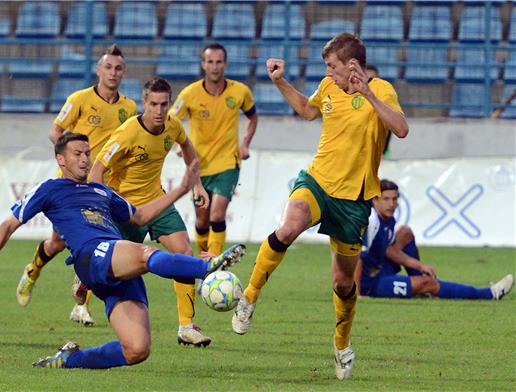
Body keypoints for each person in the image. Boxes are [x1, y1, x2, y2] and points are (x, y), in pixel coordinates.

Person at [0, 133, 246, 369]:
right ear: (61, 159)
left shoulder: (101, 191)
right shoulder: (50, 189)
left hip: (114, 262)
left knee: (137, 350)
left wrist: (182, 189)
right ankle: (206, 267)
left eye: (87, 153)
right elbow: (8, 224)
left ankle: (69, 360)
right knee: (144, 254)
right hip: (91, 255)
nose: (84, 159)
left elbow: (139, 217)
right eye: (77, 154)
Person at [231, 33, 410, 381]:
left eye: (332, 66)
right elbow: (308, 110)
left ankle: (342, 343)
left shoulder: (382, 90)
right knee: (289, 226)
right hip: (317, 182)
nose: (328, 72)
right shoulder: (328, 86)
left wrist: (368, 94)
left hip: (354, 200)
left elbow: (401, 129)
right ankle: (249, 297)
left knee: (343, 283)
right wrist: (281, 82)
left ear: (353, 65)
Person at [15, 44, 138, 326]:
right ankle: (33, 270)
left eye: (118, 68)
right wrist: (73, 158)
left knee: (103, 242)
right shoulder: (80, 99)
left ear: (124, 73)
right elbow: (55, 131)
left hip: (103, 188)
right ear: (98, 70)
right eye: (108, 67)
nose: (113, 73)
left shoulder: (129, 108)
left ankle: (82, 304)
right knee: (58, 243)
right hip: (71, 186)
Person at [89, 77, 213, 347]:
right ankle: (86, 281)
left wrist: (198, 185)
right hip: (127, 209)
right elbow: (97, 169)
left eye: (164, 104)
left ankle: (186, 326)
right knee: (118, 270)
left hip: (157, 203)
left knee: (183, 252)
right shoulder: (127, 133)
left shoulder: (172, 126)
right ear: (143, 103)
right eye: (153, 104)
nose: (159, 110)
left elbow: (190, 150)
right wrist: (100, 204)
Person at [356, 179, 514, 300]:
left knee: (405, 232)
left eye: (395, 199)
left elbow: (390, 250)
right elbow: (356, 259)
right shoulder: (371, 222)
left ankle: (419, 285)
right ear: (374, 200)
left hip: (379, 269)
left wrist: (419, 265)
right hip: (369, 284)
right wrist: (356, 295)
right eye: (386, 199)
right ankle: (488, 294)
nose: (392, 204)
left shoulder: (388, 220)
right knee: (430, 284)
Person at [171, 43, 258, 257]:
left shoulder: (240, 91)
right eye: (210, 62)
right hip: (198, 166)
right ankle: (203, 263)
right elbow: (170, 121)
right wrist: (177, 144)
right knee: (202, 220)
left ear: (225, 64)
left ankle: (215, 266)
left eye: (219, 62)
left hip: (228, 163)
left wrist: (245, 142)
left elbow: (253, 117)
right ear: (203, 64)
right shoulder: (190, 94)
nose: (215, 66)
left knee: (217, 216)